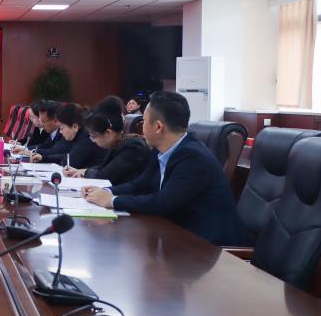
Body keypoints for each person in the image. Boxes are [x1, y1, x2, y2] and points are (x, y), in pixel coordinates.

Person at [84, 91, 245, 246]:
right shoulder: (161, 150)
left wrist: (112, 201)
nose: (142, 128)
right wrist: (106, 191)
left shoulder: (193, 158)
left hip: (207, 247)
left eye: (144, 122)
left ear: (158, 127)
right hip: (177, 236)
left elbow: (162, 203)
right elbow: (139, 185)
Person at [64, 96, 150, 185]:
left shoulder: (133, 147)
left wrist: (85, 172)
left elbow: (104, 176)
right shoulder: (118, 143)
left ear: (108, 133)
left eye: (93, 136)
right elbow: (105, 167)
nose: (93, 141)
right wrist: (80, 171)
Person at [34, 103, 105, 168]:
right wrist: (43, 158)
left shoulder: (86, 139)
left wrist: (45, 158)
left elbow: (69, 162)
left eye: (62, 128)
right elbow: (68, 156)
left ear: (75, 127)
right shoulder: (79, 135)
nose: (60, 132)